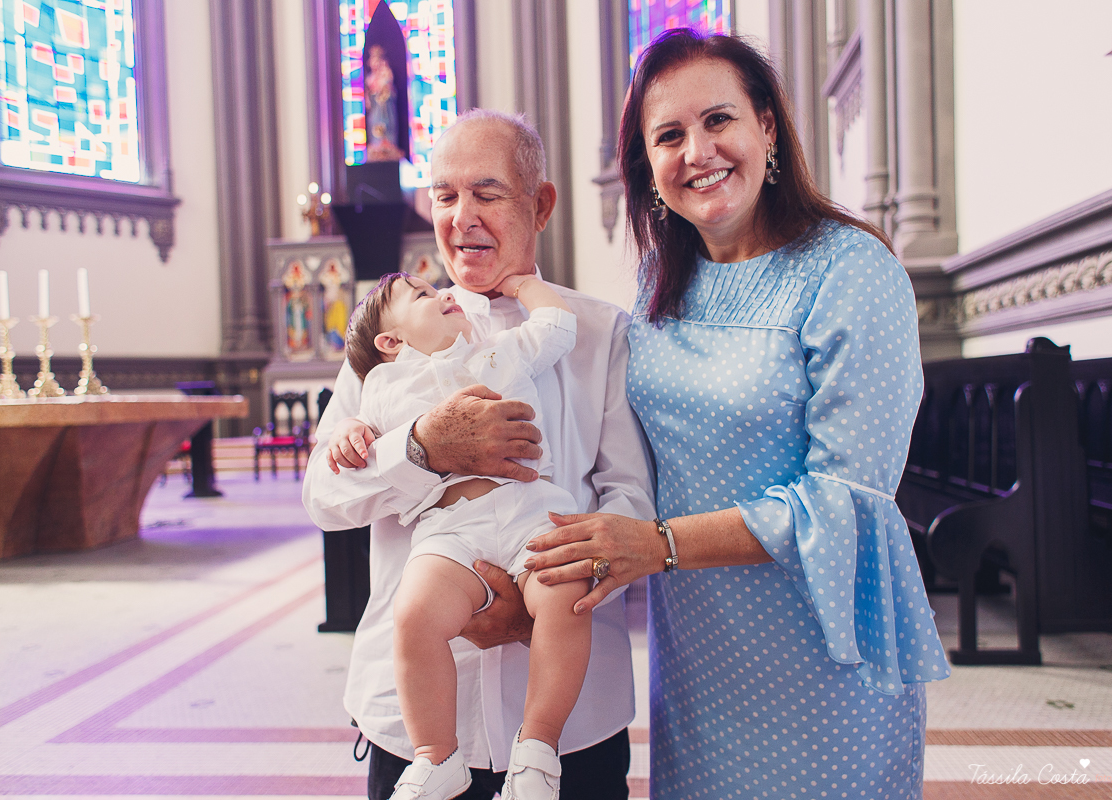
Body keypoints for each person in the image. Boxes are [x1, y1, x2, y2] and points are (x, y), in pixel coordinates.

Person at [522, 29, 951, 799]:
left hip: (821, 653)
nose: (698, 151)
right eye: (669, 135)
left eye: (718, 120)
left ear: (767, 128)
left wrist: (657, 544)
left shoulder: (853, 269)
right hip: (699, 654)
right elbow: (620, 444)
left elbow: (845, 501)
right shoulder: (663, 279)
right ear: (648, 167)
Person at [303, 109, 655, 800]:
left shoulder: (599, 333)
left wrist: (540, 597)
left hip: (573, 722)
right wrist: (422, 450)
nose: (462, 217)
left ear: (540, 203)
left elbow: (631, 499)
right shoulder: (390, 343)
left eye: (487, 193)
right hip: (413, 724)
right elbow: (324, 497)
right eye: (445, 195)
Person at [330, 270, 592, 800]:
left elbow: (557, 326)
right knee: (415, 612)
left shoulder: (498, 350)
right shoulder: (381, 385)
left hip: (529, 513)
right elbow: (336, 471)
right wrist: (348, 433)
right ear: (391, 342)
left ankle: (537, 748)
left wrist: (523, 287)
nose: (444, 294)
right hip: (451, 530)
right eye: (422, 296)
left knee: (566, 593)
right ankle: (435, 755)